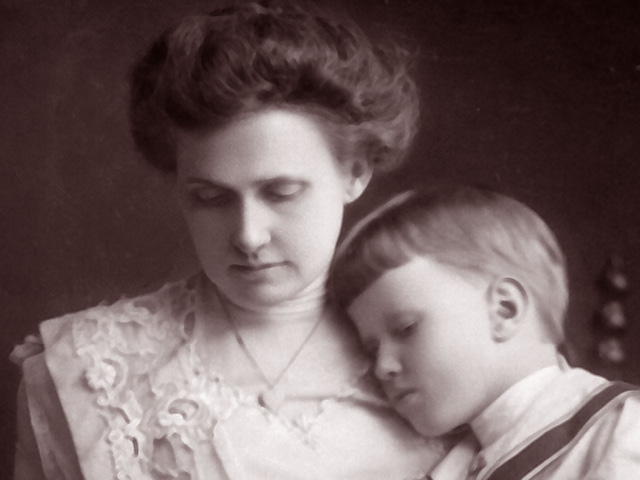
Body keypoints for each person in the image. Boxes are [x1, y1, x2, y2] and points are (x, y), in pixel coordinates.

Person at [10, 1, 448, 479]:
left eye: (281, 193)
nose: (248, 235)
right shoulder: (88, 370)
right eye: (210, 198)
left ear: (356, 173)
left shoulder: (447, 340)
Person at [329, 184, 640, 480]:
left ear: (505, 309)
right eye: (372, 350)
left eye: (406, 329)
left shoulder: (622, 432)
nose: (382, 367)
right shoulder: (451, 465)